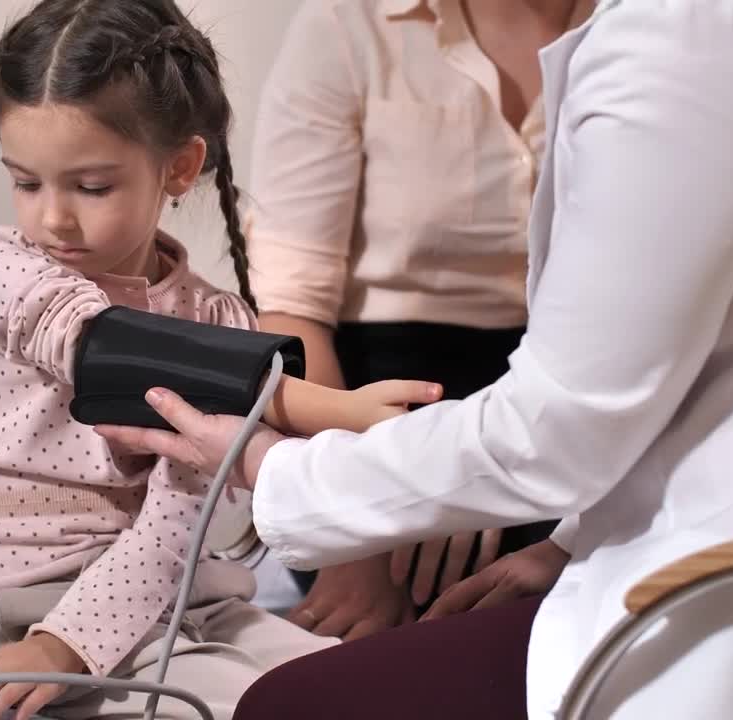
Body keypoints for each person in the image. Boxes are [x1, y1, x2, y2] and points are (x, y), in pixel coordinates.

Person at [98, 0, 733, 717]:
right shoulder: (717, 33)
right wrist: (557, 538)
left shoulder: (691, 42)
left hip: (718, 526)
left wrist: (277, 469)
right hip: (435, 407)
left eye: (93, 184)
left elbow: (565, 422)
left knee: (287, 704)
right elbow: (627, 379)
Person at [0, 2, 440, 719]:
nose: (52, 218)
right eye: (26, 182)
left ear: (180, 167)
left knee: (371, 693)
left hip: (182, 598)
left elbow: (176, 525)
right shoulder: (3, 270)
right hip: (28, 615)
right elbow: (113, 352)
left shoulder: (220, 320)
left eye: (91, 187)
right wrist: (336, 409)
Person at [244, 0, 591, 634]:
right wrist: (353, 522)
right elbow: (293, 310)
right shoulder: (346, 26)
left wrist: (486, 467)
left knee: (587, 594)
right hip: (374, 405)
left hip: (564, 400)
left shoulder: (658, 26)